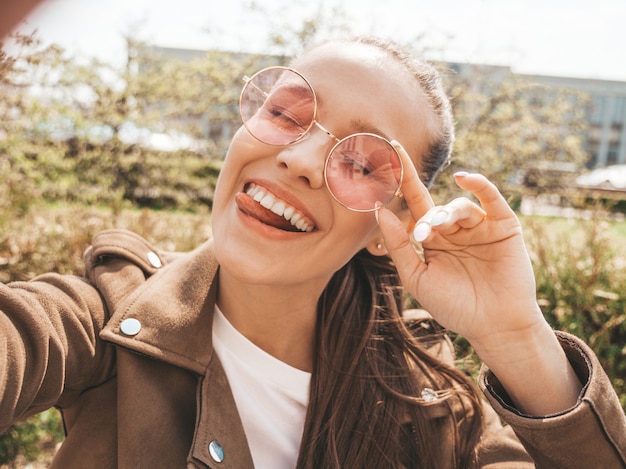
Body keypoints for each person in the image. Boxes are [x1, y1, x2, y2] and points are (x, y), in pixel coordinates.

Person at [1, 35, 625, 469]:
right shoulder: (103, 318)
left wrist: (515, 334)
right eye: (286, 113)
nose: (298, 160)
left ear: (392, 226)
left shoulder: (436, 408)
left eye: (357, 161)